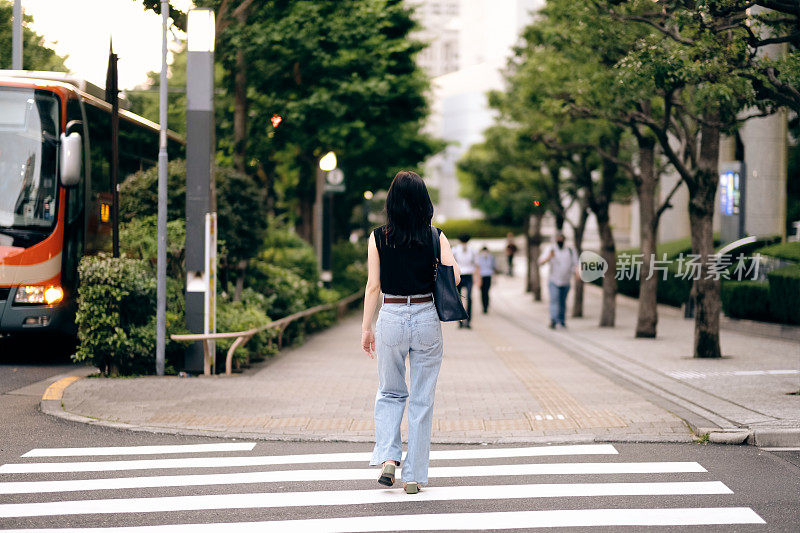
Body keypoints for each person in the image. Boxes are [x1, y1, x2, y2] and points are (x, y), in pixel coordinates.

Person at [361, 170, 461, 495]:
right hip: (425, 315)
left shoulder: (377, 237)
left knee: (390, 392)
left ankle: (389, 457)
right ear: (424, 201)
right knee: (421, 399)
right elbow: (455, 278)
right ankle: (414, 476)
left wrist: (366, 326)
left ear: (391, 201)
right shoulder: (435, 236)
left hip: (389, 314)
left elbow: (373, 285)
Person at [538, 232, 578, 329]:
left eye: (561, 239)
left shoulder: (570, 250)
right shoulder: (550, 249)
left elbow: (576, 264)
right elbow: (540, 262)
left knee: (563, 302)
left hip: (566, 280)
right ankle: (554, 320)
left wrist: (578, 274)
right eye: (558, 239)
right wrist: (549, 257)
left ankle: (562, 320)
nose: (560, 241)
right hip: (554, 280)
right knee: (554, 300)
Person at [452, 234, 477, 328]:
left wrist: (477, 278)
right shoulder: (455, 250)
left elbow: (476, 264)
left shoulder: (472, 251)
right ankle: (460, 320)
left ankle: (468, 321)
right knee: (458, 299)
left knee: (469, 298)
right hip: (459, 275)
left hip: (469, 276)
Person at [476, 246, 496, 314]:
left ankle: (486, 306)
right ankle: (483, 307)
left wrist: (494, 277)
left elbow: (494, 267)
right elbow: (477, 268)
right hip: (481, 277)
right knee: (482, 292)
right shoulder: (479, 258)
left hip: (488, 276)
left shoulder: (491, 257)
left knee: (487, 292)